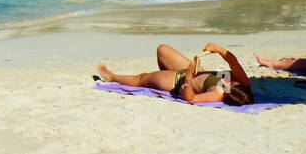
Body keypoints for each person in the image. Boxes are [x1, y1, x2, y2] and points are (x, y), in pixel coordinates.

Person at [97, 42, 255, 106]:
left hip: (177, 81)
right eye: (232, 83)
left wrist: (187, 79)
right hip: (195, 70)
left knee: (142, 78)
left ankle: (112, 77)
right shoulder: (242, 82)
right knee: (162, 49)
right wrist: (219, 49)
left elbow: (191, 98)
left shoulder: (218, 94)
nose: (228, 83)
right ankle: (159, 75)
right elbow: (234, 63)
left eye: (227, 87)